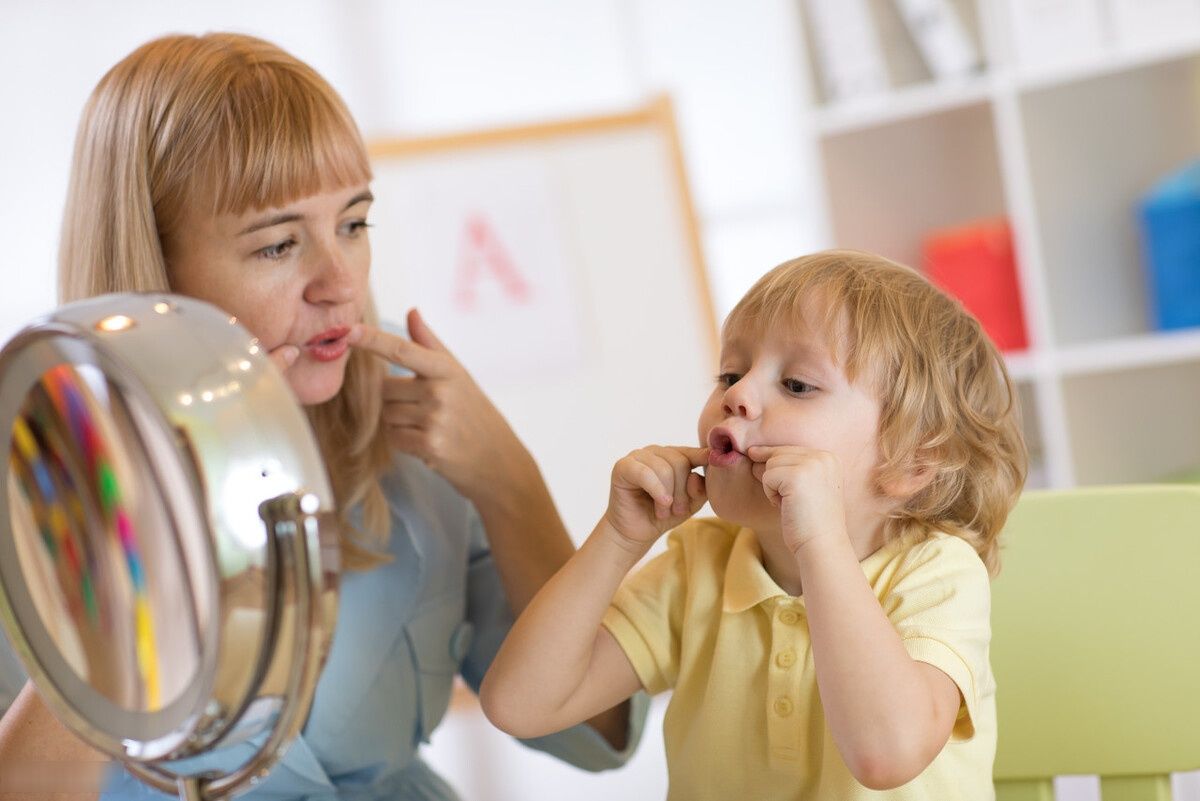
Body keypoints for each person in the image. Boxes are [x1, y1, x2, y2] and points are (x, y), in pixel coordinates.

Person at [0, 32, 645, 800]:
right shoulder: (30, 473)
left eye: (353, 224)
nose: (339, 283)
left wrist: (510, 481)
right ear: (155, 272)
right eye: (278, 245)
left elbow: (597, 735)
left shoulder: (412, 428)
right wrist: (137, 569)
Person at [480, 250, 1028, 800]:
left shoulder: (936, 573)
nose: (736, 396)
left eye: (796, 384)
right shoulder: (700, 565)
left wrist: (820, 543)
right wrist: (619, 539)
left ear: (910, 463)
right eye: (730, 373)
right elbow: (520, 705)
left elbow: (885, 755)